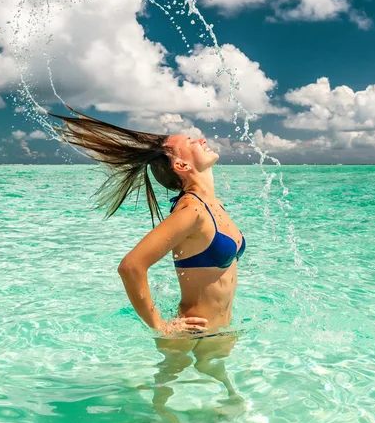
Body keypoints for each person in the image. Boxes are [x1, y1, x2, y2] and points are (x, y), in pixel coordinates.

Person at [49, 107, 246, 337]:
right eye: (191, 142)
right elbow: (131, 266)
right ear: (182, 166)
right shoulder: (192, 210)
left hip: (222, 332)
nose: (202, 140)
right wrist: (159, 325)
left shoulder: (215, 204)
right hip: (189, 337)